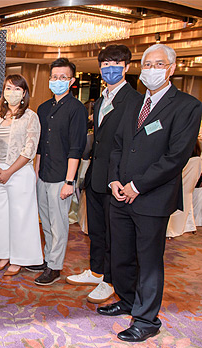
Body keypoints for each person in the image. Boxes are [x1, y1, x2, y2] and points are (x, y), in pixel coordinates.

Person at [99, 44, 202, 342]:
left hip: (152, 197)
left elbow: (176, 157)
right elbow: (118, 145)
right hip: (120, 194)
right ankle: (128, 301)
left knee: (148, 260)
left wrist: (137, 186)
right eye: (147, 63)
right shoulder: (133, 102)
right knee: (120, 256)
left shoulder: (187, 105)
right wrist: (114, 181)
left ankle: (146, 319)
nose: (151, 69)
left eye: (159, 64)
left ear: (171, 68)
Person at [66, 45, 142, 303]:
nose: (110, 68)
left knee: (114, 234)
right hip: (97, 176)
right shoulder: (99, 100)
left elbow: (132, 145)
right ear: (100, 68)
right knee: (96, 230)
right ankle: (97, 270)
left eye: (116, 63)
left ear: (127, 67)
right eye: (105, 64)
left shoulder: (135, 101)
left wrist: (122, 178)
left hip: (118, 179)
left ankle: (110, 280)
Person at [30, 58, 87, 285]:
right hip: (43, 174)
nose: (58, 81)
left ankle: (55, 266)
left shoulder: (77, 109)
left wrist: (69, 182)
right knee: (45, 221)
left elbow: (76, 148)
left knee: (59, 223)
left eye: (63, 77)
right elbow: (41, 145)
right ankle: (49, 258)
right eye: (54, 77)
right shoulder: (43, 108)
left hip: (62, 177)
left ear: (72, 81)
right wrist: (35, 173)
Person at [0, 74, 43, 279]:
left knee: (20, 217)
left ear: (24, 93)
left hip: (19, 173)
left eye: (17, 89)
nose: (12, 93)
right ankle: (2, 255)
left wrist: (8, 172)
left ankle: (19, 259)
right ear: (3, 92)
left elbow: (29, 149)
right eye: (8, 88)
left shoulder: (31, 117)